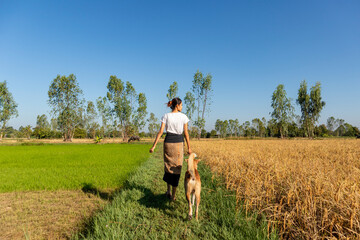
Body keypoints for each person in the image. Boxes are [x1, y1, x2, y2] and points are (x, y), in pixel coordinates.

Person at [149, 97, 192, 201]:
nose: (182, 107)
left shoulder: (166, 116)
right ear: (177, 106)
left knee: (168, 166)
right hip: (178, 144)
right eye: (181, 105)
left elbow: (160, 132)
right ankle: (173, 195)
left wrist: (154, 146)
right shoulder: (184, 117)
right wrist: (189, 148)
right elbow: (186, 133)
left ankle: (168, 191)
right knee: (177, 168)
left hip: (168, 142)